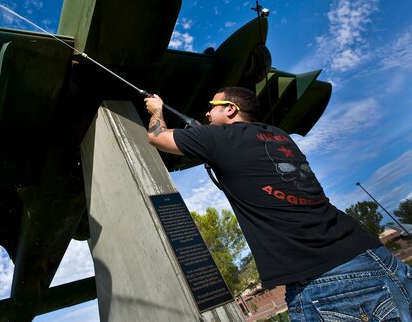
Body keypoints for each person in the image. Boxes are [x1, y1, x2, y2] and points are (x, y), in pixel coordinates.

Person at [145, 86, 412, 322]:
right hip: (376, 257)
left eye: (211, 108)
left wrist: (157, 109)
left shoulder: (218, 139)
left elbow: (157, 137)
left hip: (327, 283)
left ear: (230, 109)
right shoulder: (278, 135)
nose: (206, 114)